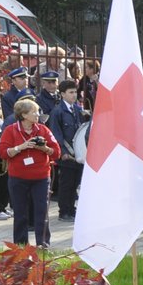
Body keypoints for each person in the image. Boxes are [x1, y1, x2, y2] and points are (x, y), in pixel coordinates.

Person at [0, 98, 61, 246]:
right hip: (18, 178)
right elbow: (2, 152)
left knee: (42, 212)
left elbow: (56, 153)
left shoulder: (43, 130)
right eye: (34, 112)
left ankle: (43, 244)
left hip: (41, 178)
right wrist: (22, 147)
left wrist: (43, 148)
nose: (38, 114)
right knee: (20, 213)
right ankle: (20, 246)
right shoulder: (10, 130)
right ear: (24, 115)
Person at [46, 80, 86, 221]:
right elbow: (56, 135)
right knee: (66, 184)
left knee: (75, 182)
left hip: (78, 153)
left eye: (75, 92)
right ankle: (64, 211)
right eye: (70, 92)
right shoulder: (57, 112)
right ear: (62, 94)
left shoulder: (77, 110)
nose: (74, 95)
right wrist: (62, 152)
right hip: (67, 154)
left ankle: (71, 208)